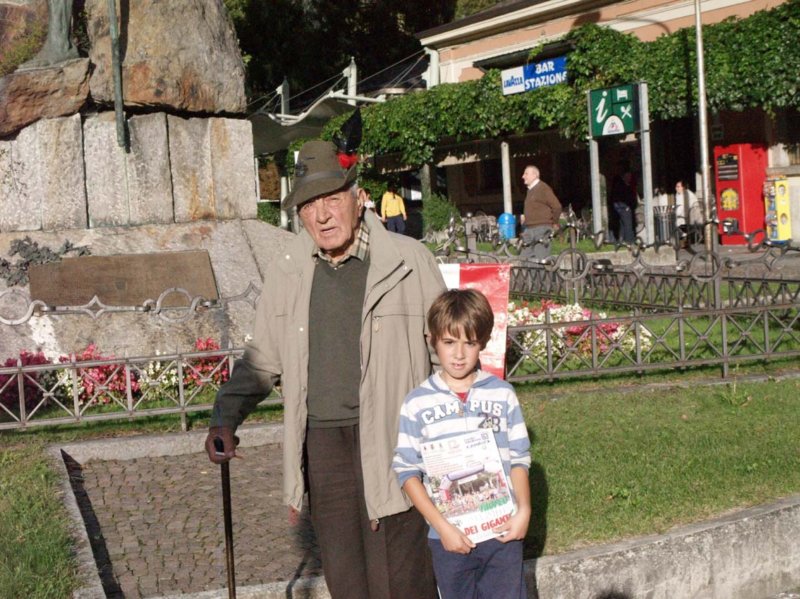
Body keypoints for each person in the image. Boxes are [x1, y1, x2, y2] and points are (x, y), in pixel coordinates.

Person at [205, 140, 445, 599]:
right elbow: (263, 358)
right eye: (309, 205)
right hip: (323, 448)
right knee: (346, 580)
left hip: (396, 440)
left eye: (332, 199)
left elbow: (445, 352)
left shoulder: (409, 261)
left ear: (358, 197)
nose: (322, 216)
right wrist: (224, 418)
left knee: (402, 579)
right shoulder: (289, 269)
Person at [393, 289, 532, 599]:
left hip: (502, 534)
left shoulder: (502, 394)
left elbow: (519, 458)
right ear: (432, 340)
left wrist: (523, 510)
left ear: (483, 342)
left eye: (469, 343)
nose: (458, 354)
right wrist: (442, 527)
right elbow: (406, 470)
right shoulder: (416, 403)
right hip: (451, 538)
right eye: (449, 342)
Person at [519, 165, 561, 260]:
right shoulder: (530, 190)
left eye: (526, 174)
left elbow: (557, 206)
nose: (523, 176)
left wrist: (555, 223)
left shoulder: (543, 188)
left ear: (535, 175)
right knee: (524, 259)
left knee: (540, 259)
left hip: (542, 229)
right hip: (529, 229)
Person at [610, 172, 637, 243]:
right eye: (628, 176)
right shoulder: (622, 186)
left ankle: (621, 240)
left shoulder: (623, 185)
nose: (629, 178)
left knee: (623, 225)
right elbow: (623, 197)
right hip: (624, 208)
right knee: (628, 225)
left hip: (623, 208)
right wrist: (625, 207)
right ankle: (629, 242)